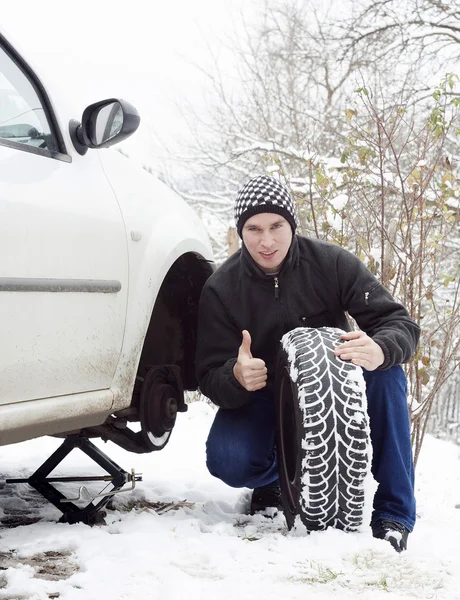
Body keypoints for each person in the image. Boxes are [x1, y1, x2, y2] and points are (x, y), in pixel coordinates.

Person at [195, 174, 420, 553]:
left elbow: (400, 325)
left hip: (335, 384)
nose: (266, 241)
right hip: (267, 396)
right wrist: (235, 376)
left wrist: (380, 348)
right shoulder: (221, 288)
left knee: (387, 374)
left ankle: (394, 513)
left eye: (276, 226)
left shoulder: (330, 263)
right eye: (254, 228)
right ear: (241, 230)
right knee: (227, 458)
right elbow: (207, 374)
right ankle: (276, 481)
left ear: (291, 225)